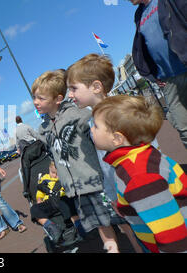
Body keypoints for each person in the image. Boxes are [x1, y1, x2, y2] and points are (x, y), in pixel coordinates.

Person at [31, 69, 122, 253]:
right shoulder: (44, 128)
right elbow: (53, 150)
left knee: (123, 222)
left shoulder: (78, 115)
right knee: (100, 226)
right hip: (76, 189)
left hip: (95, 182)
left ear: (57, 99)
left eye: (41, 98)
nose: (35, 102)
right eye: (34, 97)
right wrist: (53, 164)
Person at [67, 53, 147, 253]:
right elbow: (104, 163)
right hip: (123, 196)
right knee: (144, 239)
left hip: (145, 192)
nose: (70, 95)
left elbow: (149, 149)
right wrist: (112, 195)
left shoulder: (123, 111)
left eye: (74, 88)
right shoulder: (92, 122)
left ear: (96, 86)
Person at [92, 95, 187, 253]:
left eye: (96, 126)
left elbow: (171, 235)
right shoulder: (140, 156)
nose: (91, 129)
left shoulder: (138, 175)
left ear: (117, 138)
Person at [130, 0, 187, 148]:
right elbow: (143, 47)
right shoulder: (138, 15)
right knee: (183, 127)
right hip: (167, 79)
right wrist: (152, 75)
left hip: (184, 66)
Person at [30, 161, 81, 242]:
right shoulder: (45, 179)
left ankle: (78, 226)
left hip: (63, 199)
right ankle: (52, 227)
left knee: (70, 205)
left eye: (58, 174)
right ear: (49, 170)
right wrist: (39, 199)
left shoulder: (64, 178)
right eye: (53, 173)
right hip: (50, 202)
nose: (56, 176)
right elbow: (40, 192)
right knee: (34, 209)